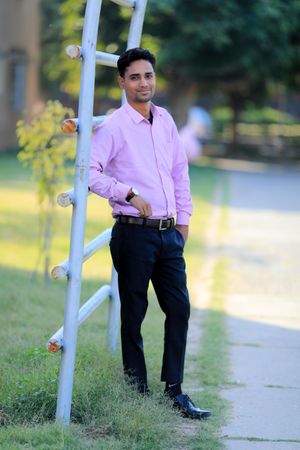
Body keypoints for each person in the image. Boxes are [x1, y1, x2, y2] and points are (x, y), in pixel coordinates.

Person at [89, 47, 211, 420]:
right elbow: (90, 173)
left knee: (179, 308)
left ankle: (174, 390)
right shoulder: (113, 127)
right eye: (136, 76)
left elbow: (179, 173)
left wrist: (183, 220)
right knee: (135, 312)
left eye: (149, 75)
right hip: (133, 235)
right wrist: (127, 193)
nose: (144, 82)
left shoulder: (167, 121)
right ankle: (136, 390)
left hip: (168, 234)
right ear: (122, 81)